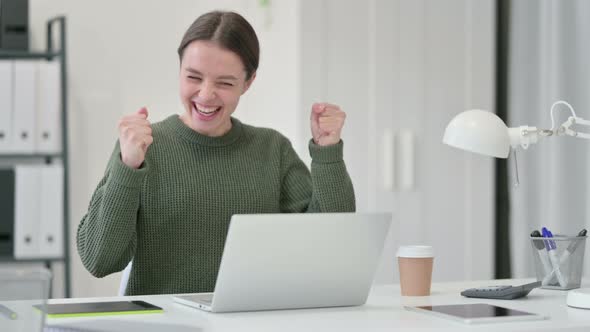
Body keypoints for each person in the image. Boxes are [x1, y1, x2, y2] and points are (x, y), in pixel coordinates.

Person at [77, 10, 355, 296]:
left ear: (248, 82)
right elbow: (99, 260)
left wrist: (327, 152)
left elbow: (332, 243)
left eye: (224, 83)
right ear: (179, 69)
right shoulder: (141, 148)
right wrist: (128, 167)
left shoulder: (273, 150)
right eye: (194, 77)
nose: (206, 94)